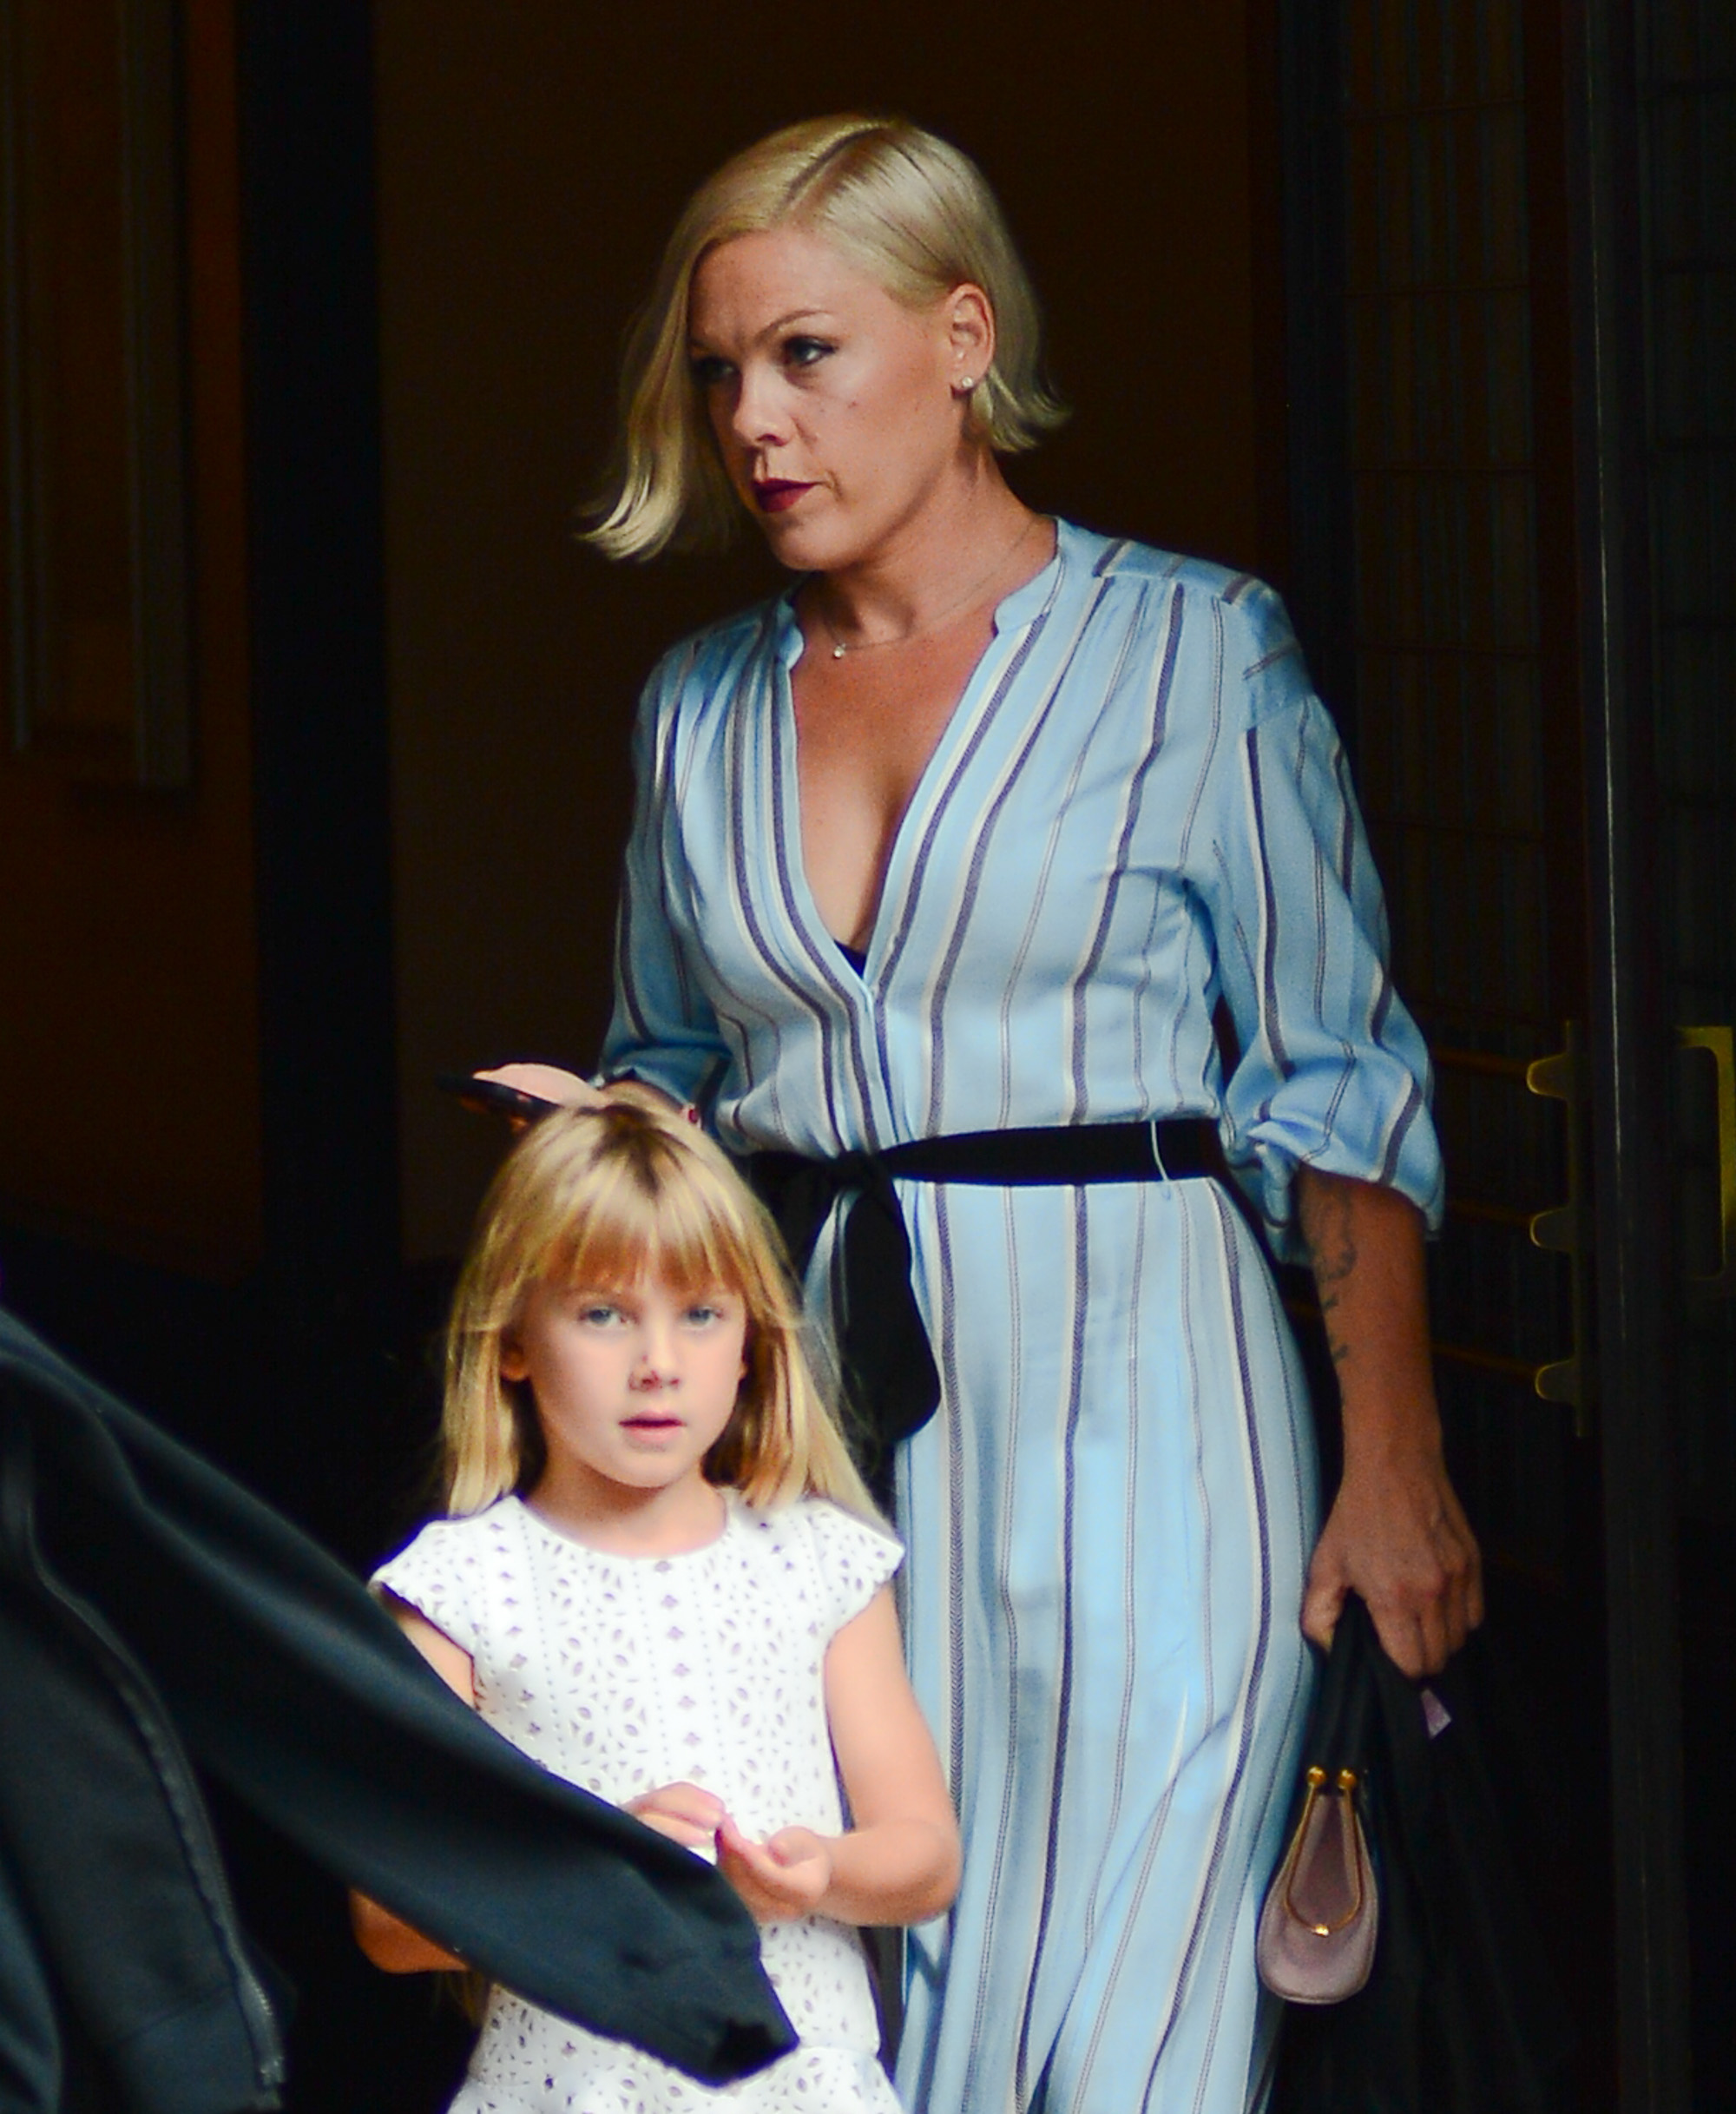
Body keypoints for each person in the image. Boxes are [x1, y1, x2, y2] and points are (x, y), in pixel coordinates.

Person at [482, 115, 1483, 2113]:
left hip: (1155, 1405)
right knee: (857, 2000)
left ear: (958, 337)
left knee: (1137, 2021)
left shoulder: (1194, 656)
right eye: (718, 371)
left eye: (802, 355)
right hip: (819, 1432)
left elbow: (1327, 1072)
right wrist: (588, 1146)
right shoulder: (695, 707)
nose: (751, 418)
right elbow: (666, 1061)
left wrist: (1391, 1450)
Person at [353, 1088, 961, 2112]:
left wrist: (818, 1871)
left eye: (699, 1312)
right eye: (602, 1313)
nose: (657, 1364)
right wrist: (597, 1869)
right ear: (512, 1339)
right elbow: (386, 1918)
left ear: (750, 1342)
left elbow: (924, 1853)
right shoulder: (460, 1588)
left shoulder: (818, 1561)